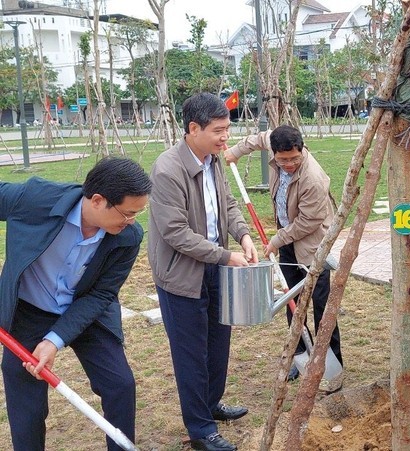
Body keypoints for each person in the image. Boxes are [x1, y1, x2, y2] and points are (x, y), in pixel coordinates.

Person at [0, 157, 151, 451]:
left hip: (86, 310)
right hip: (29, 310)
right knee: (27, 407)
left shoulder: (128, 237)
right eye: (128, 213)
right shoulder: (35, 199)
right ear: (97, 200)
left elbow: (101, 295)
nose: (131, 221)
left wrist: (54, 341)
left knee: (120, 385)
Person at [148, 93, 258, 451]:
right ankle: (200, 431)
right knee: (191, 353)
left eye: (228, 129)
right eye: (219, 130)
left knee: (217, 342)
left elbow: (226, 202)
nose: (226, 137)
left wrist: (242, 235)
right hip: (183, 275)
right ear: (193, 129)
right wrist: (224, 255)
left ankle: (210, 405)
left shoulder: (213, 160)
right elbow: (175, 233)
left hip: (215, 265)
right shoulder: (167, 170)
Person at [224, 125, 342, 389]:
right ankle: (298, 357)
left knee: (322, 307)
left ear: (302, 149)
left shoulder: (314, 178)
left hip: (313, 247)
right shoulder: (274, 142)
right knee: (292, 301)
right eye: (282, 159)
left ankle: (330, 361)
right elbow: (258, 138)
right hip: (287, 239)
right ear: (274, 154)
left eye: (294, 158)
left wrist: (276, 240)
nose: (288, 164)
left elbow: (308, 221)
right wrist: (235, 152)